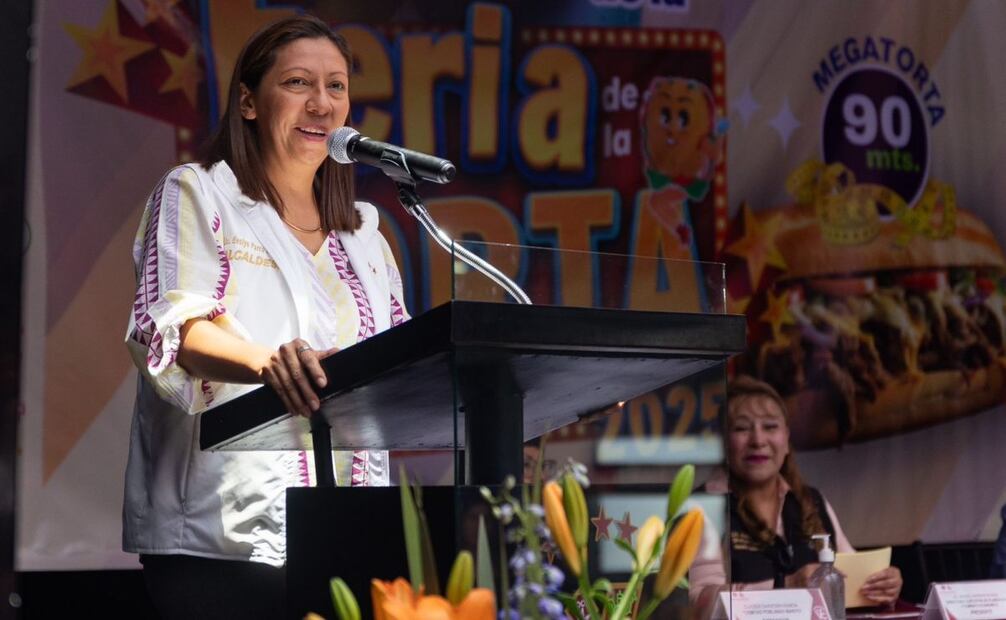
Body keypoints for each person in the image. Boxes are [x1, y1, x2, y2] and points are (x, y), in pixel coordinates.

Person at [122, 15, 408, 619]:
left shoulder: (366, 237)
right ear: (249, 102)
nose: (322, 104)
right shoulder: (200, 193)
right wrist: (272, 363)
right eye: (299, 83)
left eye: (336, 87)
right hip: (221, 543)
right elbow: (177, 327)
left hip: (351, 536)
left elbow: (403, 363)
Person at [690, 376, 902, 608]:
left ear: (787, 438)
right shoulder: (703, 508)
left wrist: (882, 584)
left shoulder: (813, 501)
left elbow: (850, 576)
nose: (758, 440)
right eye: (741, 428)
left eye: (770, 427)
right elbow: (699, 600)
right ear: (722, 441)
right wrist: (787, 586)